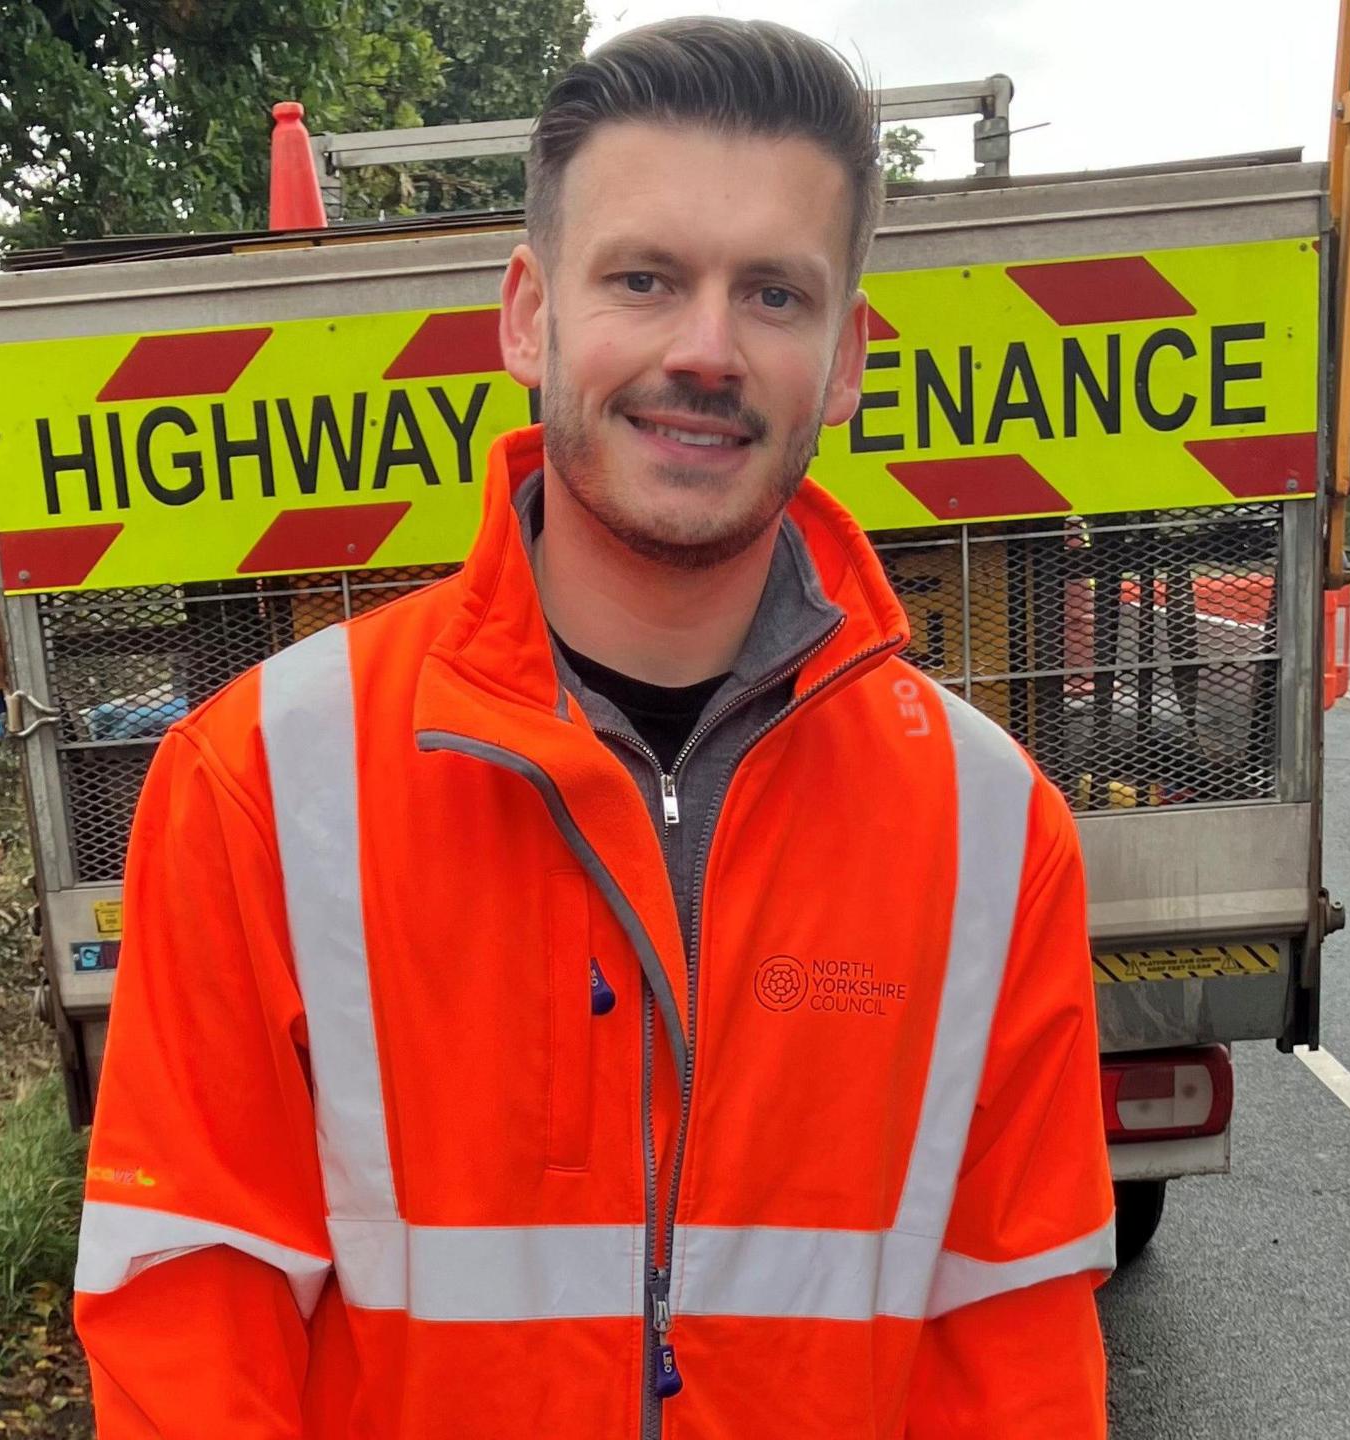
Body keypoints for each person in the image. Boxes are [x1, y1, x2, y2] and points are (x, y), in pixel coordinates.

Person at [72, 16, 1113, 1437]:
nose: (706, 350)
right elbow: (191, 1322)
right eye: (644, 278)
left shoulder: (994, 833)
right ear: (527, 316)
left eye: (773, 295)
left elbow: (1015, 1353)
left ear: (849, 355)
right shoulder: (262, 782)